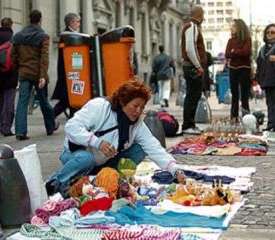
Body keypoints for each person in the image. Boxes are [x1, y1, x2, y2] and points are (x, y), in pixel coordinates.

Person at [45, 79, 186, 196]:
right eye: (135, 106)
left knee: (139, 150)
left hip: (102, 162)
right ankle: (55, 182)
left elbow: (154, 147)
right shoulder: (100, 107)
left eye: (142, 108)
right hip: (76, 155)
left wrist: (175, 170)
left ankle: (106, 180)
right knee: (85, 159)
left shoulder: (137, 124)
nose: (138, 111)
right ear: (124, 102)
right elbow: (71, 127)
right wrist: (96, 142)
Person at [12, 9, 59, 141]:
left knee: (22, 102)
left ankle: (20, 131)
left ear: (29, 19)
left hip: (24, 73)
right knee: (43, 100)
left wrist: (18, 69)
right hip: (38, 74)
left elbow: (13, 55)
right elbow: (44, 57)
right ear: (40, 20)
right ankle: (50, 127)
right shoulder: (43, 36)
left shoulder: (18, 36)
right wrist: (43, 75)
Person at [181, 5, 206, 135]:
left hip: (190, 66)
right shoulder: (192, 26)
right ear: (199, 15)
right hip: (192, 67)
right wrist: (198, 66)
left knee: (193, 95)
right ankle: (188, 125)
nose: (204, 18)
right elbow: (190, 48)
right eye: (203, 15)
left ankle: (190, 124)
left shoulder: (189, 25)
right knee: (192, 96)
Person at [51, 12, 81, 119]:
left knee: (71, 99)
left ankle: (74, 120)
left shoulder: (69, 34)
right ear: (71, 22)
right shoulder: (68, 35)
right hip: (68, 72)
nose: (79, 24)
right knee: (68, 100)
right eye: (78, 21)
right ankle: (50, 117)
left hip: (71, 72)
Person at [225, 18, 252, 121]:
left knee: (244, 95)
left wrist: (234, 51)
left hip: (244, 69)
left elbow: (246, 52)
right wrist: (236, 52)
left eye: (234, 26)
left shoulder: (247, 39)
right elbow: (227, 54)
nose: (232, 28)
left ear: (239, 27)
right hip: (233, 69)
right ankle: (234, 118)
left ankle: (246, 118)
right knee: (234, 95)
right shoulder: (230, 41)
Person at [255, 23, 275, 131]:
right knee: (270, 103)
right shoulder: (263, 49)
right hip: (267, 80)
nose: (270, 34)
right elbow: (259, 64)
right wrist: (257, 78)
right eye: (268, 32)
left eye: (272, 32)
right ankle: (271, 125)